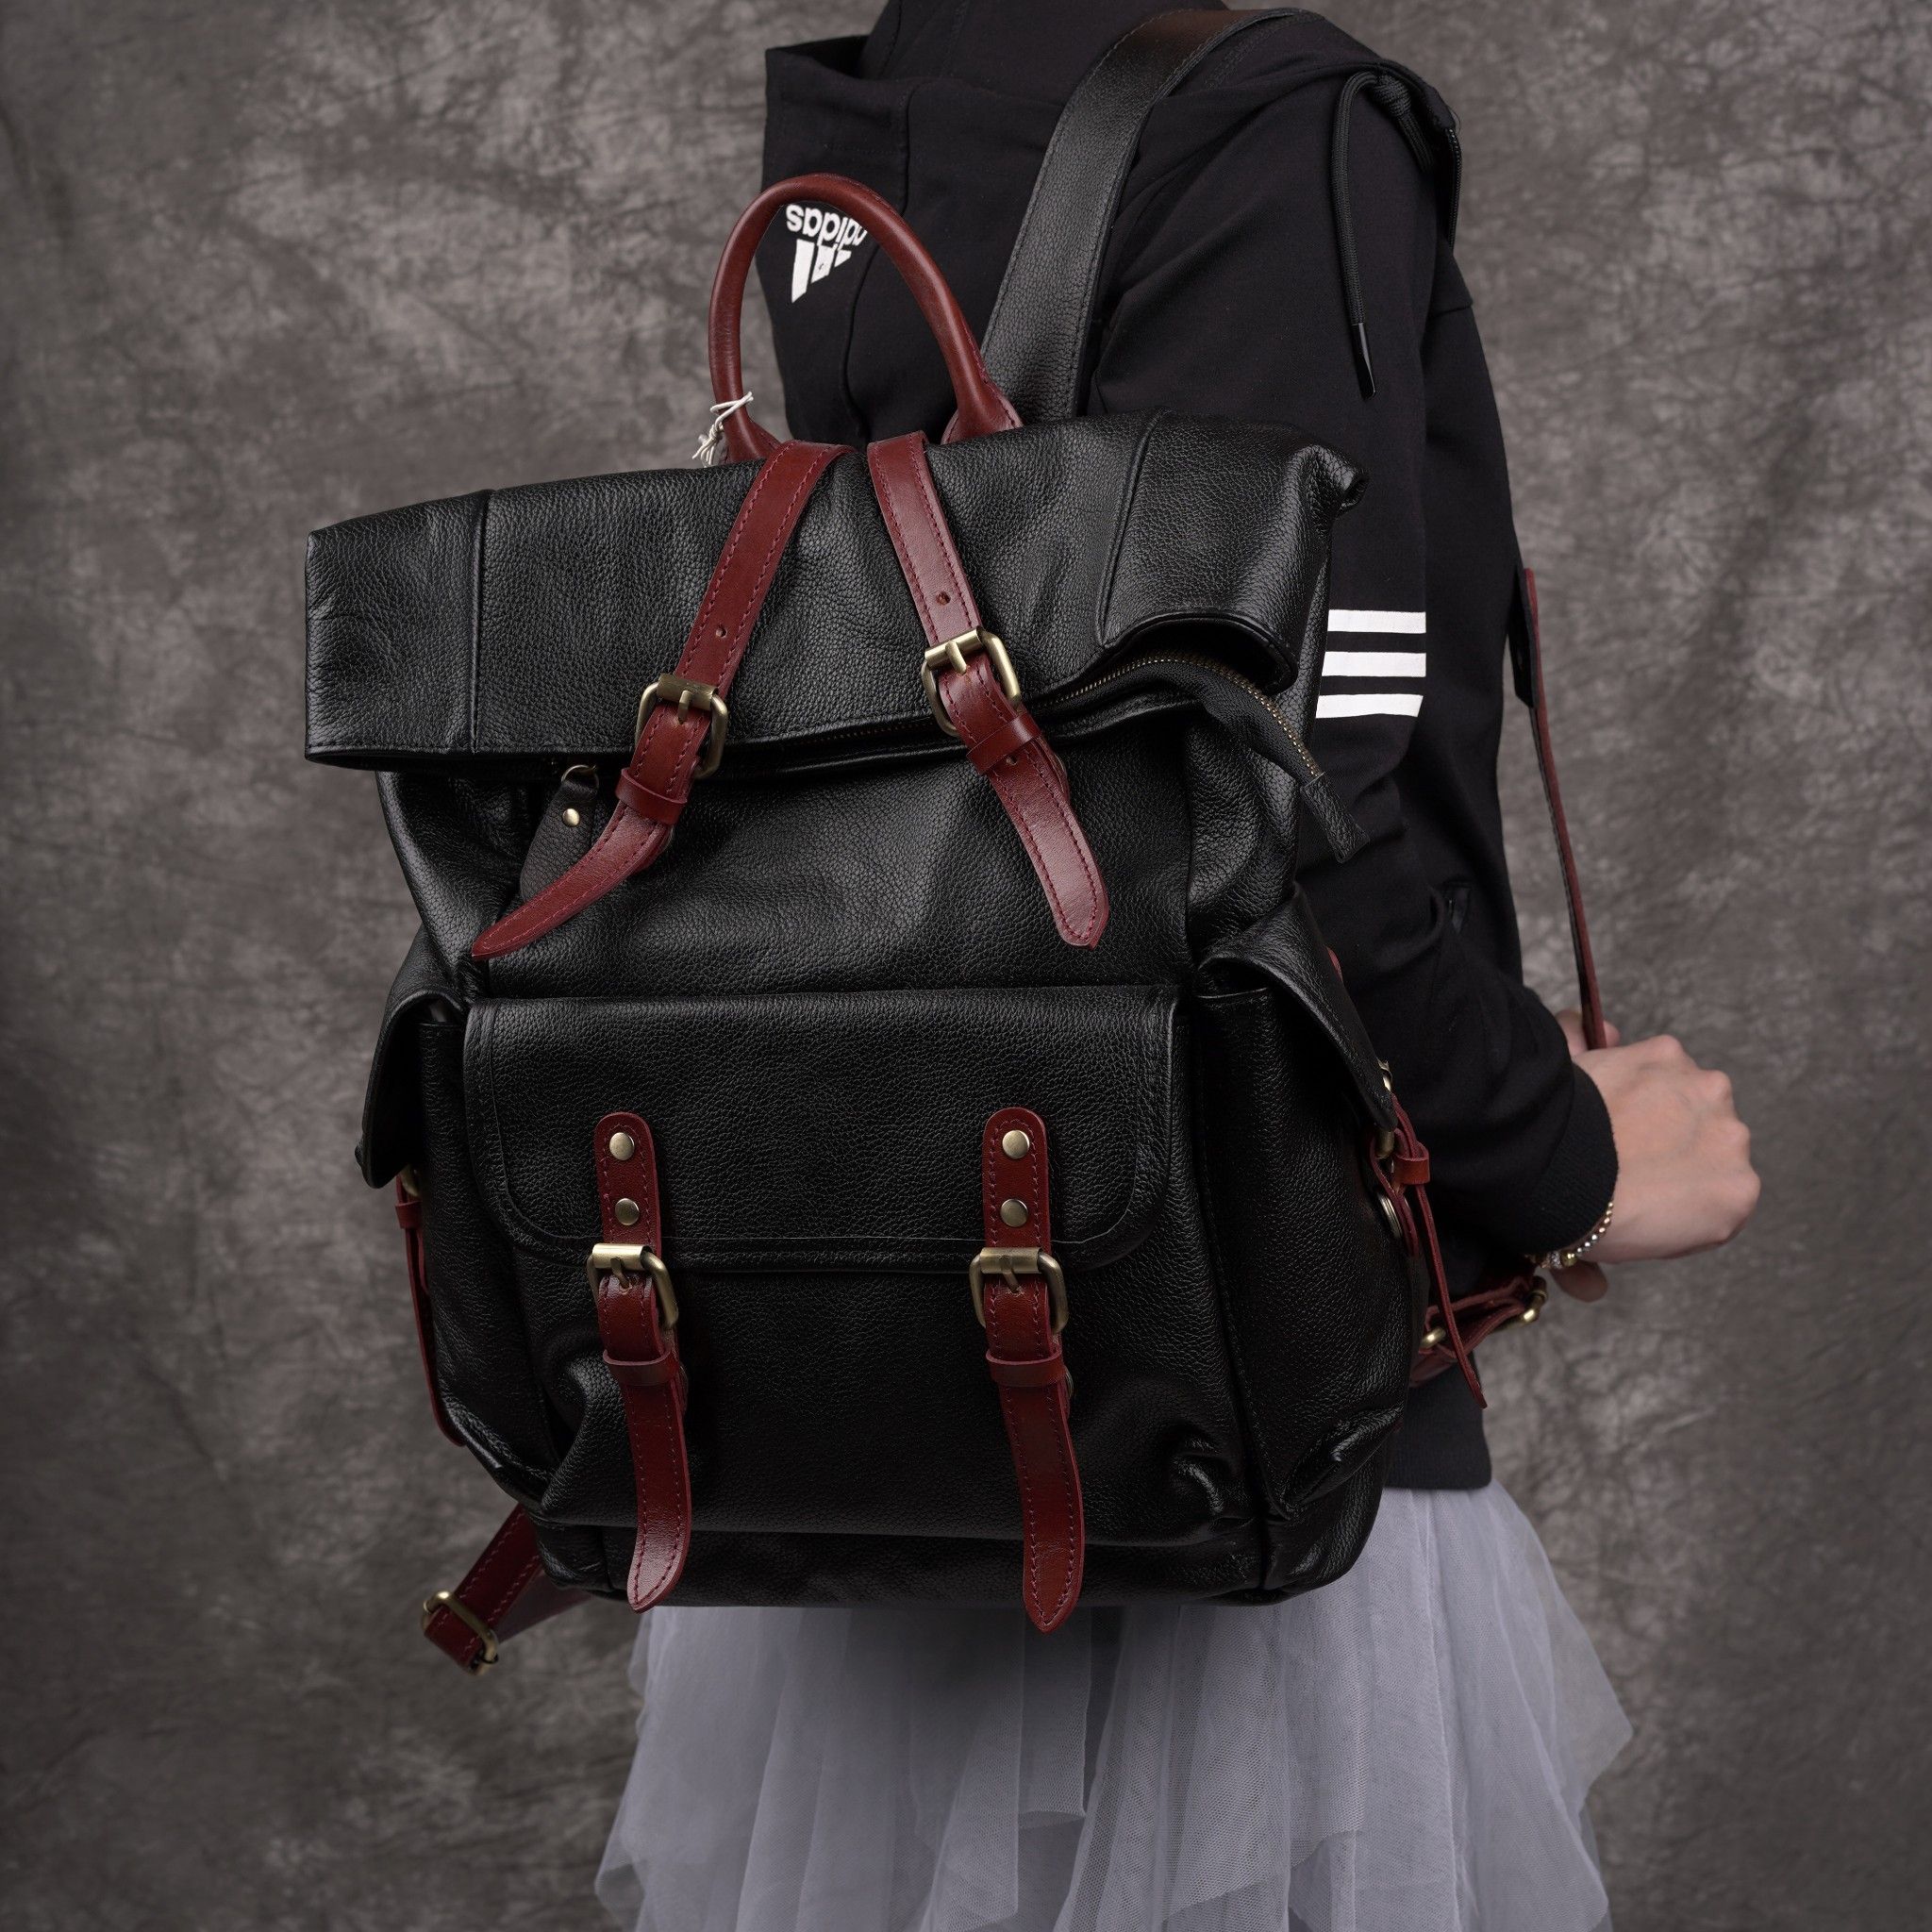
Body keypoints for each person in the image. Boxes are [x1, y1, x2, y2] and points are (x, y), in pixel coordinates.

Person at [600, 6, 1759, 1927]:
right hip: (1227, 1390)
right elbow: (1291, 814)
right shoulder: (1264, 127)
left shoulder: (889, 106)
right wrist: (1562, 1156)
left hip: (871, 1377)